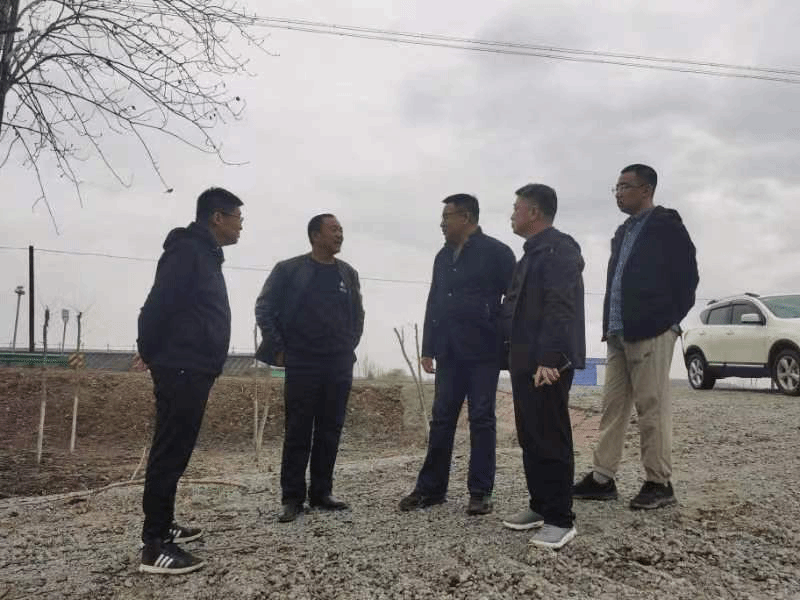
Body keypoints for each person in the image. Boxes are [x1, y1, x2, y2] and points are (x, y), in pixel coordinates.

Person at [573, 164, 698, 509]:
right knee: (612, 407)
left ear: (646, 190)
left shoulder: (666, 226)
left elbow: (688, 279)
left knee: (651, 408)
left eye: (625, 186)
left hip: (651, 331)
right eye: (615, 187)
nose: (618, 193)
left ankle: (659, 483)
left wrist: (666, 321)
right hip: (618, 333)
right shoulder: (622, 232)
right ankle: (603, 478)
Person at [136, 187, 243, 574]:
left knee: (176, 450)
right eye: (238, 219)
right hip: (181, 366)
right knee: (170, 451)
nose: (241, 227)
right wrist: (151, 351)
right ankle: (154, 546)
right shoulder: (187, 252)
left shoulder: (206, 255)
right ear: (217, 217)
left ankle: (164, 524)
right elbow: (158, 304)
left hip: (193, 367)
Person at [398, 194, 515, 515]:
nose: (441, 224)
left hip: (484, 351)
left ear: (465, 217)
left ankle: (480, 492)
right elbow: (434, 300)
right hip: (449, 351)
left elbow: (515, 298)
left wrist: (499, 331)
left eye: (446, 217)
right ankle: (431, 489)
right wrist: (428, 348)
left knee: (481, 419)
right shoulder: (443, 256)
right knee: (442, 419)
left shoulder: (497, 252)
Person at [255, 214, 364, 523]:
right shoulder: (289, 270)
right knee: (298, 430)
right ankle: (292, 498)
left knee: (330, 429)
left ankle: (322, 493)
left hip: (338, 363)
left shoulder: (348, 273)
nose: (340, 234)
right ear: (316, 235)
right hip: (302, 361)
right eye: (334, 230)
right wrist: (278, 347)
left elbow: (358, 315)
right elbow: (264, 307)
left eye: (341, 230)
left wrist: (348, 344)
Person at [499, 184, 585, 549]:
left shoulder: (560, 248)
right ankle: (539, 506)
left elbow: (560, 305)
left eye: (516, 208)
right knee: (531, 437)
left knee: (551, 437)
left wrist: (550, 359)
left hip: (547, 364)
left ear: (534, 212)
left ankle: (561, 518)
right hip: (523, 361)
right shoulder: (529, 255)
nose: (512, 214)